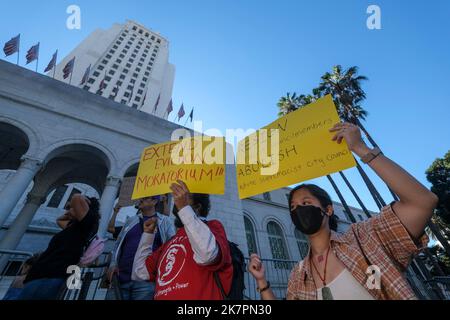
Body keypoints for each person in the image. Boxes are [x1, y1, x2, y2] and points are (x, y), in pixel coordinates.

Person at [248, 122, 438, 300]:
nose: (299, 209)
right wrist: (262, 282)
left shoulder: (365, 239)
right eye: (293, 207)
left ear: (328, 209)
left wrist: (360, 148)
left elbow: (421, 202)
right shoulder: (298, 276)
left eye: (306, 202)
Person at [133, 180, 233, 300]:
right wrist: (148, 235)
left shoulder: (213, 227)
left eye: (185, 195)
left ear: (197, 207)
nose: (177, 199)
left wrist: (184, 207)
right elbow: (140, 272)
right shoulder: (169, 242)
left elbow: (208, 253)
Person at [17, 194, 100, 300]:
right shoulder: (73, 226)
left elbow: (76, 197)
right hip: (41, 273)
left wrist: (80, 202)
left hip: (52, 274)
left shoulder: (88, 223)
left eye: (73, 207)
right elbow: (59, 220)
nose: (70, 209)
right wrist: (71, 212)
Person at [107, 195, 175, 300]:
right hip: (120, 280)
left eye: (145, 197)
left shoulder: (165, 221)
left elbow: (171, 247)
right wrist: (113, 264)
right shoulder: (131, 220)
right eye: (141, 197)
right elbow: (118, 244)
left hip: (146, 284)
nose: (141, 199)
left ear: (154, 202)